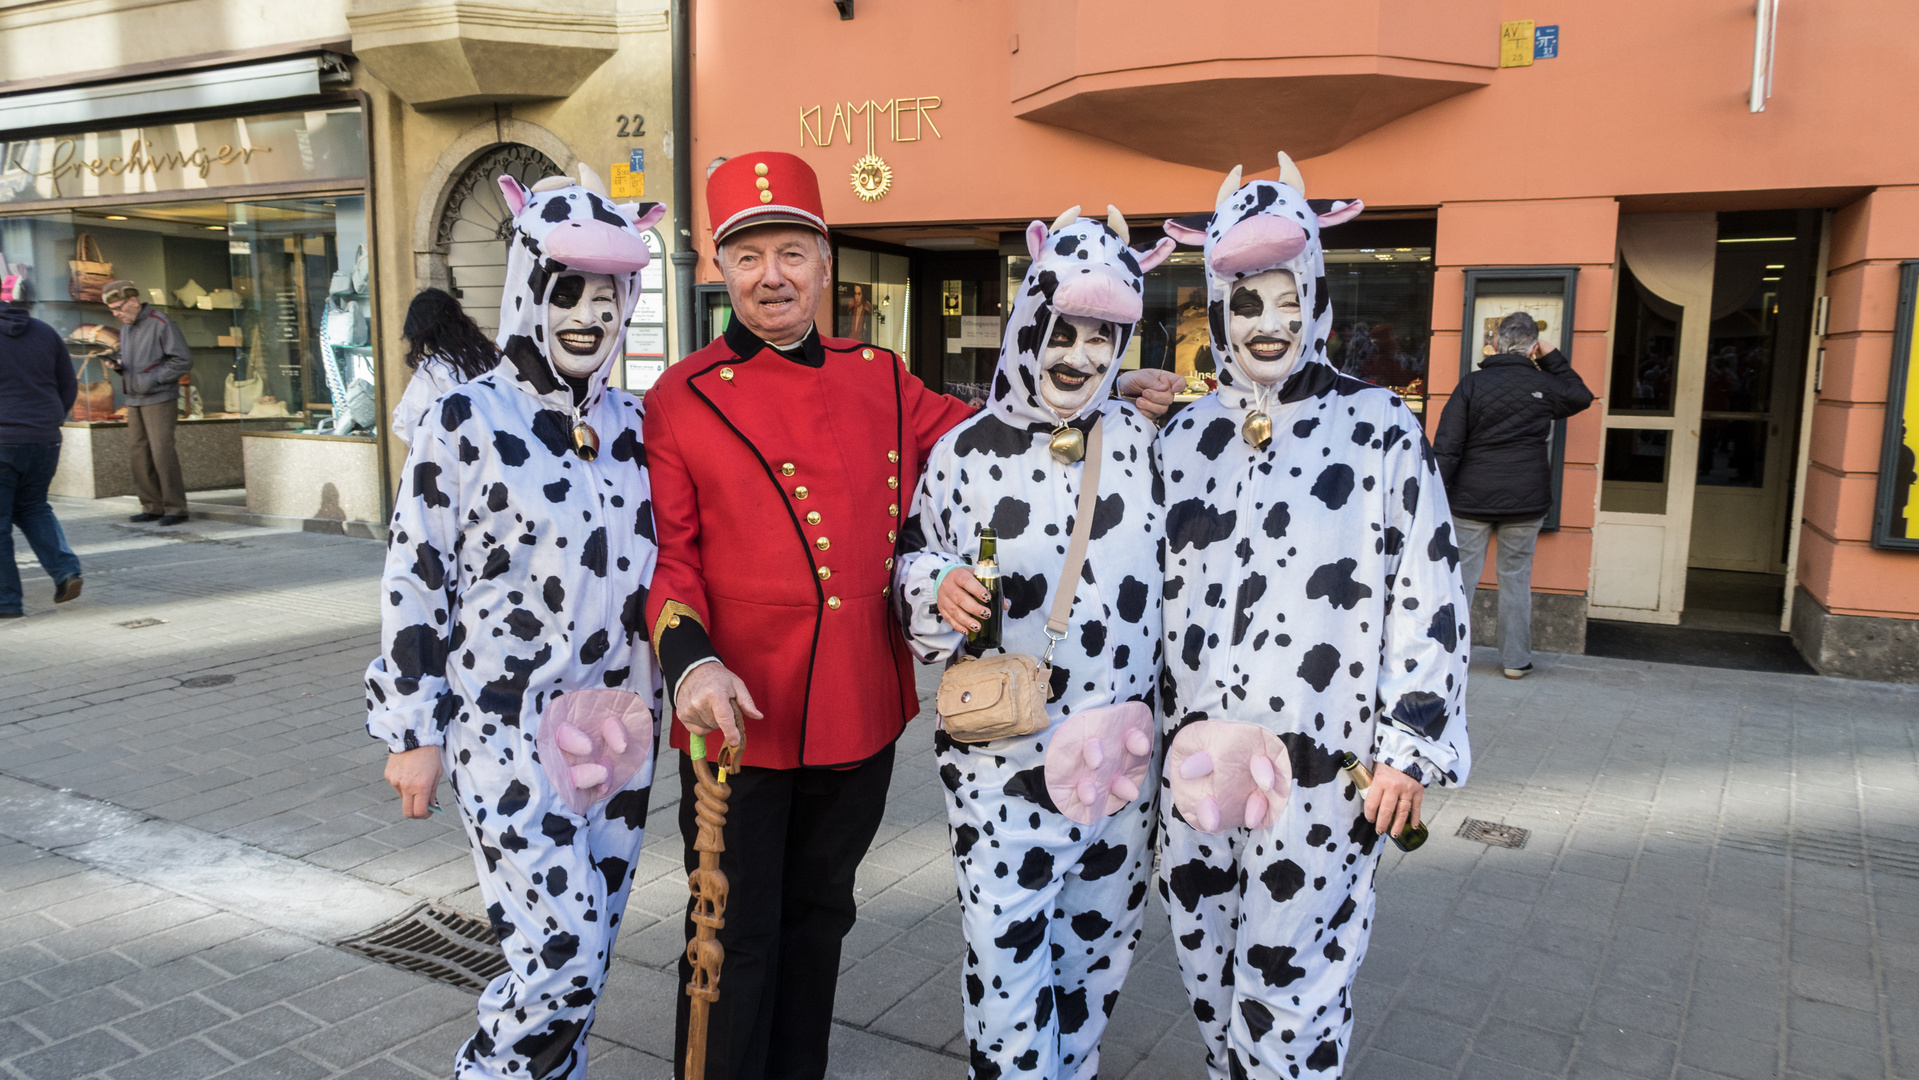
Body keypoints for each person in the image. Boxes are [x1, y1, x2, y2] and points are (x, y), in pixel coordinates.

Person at [642, 152, 1182, 1080]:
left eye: (792, 252)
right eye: (748, 256)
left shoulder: (881, 377)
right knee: (732, 934)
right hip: (739, 718)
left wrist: (1102, 392)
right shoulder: (680, 398)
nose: (772, 276)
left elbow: (994, 421)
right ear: (719, 269)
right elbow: (671, 561)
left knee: (822, 921)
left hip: (856, 706)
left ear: (824, 261)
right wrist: (691, 664)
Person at [1154, 155, 1471, 1079]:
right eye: (1244, 301)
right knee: (1209, 974)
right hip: (1198, 765)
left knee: (1294, 985)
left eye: (1285, 297)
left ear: (1317, 296)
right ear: (1215, 308)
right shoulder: (1183, 435)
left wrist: (1411, 743)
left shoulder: (1376, 426)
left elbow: (1429, 586)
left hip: (1322, 770)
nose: (1266, 323)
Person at [365, 166, 669, 1080]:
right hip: (501, 729)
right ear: (529, 286)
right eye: (567, 289)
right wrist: (410, 730)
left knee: (589, 953)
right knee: (562, 955)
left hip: (617, 732)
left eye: (607, 293)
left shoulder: (639, 425)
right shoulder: (462, 418)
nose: (588, 314)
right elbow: (415, 577)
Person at [894, 205, 1174, 1079]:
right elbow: (909, 553)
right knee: (1007, 953)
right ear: (1029, 321)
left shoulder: (1145, 443)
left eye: (1103, 336)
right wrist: (932, 583)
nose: (1080, 355)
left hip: (1119, 755)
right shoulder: (962, 453)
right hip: (999, 759)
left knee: (1097, 947)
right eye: (1065, 328)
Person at [1433, 311, 1594, 679]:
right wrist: (1552, 357)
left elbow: (1448, 446)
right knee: (1516, 578)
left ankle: (1448, 658)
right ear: (1532, 348)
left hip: (1471, 499)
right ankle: (1515, 662)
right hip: (1526, 500)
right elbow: (1581, 395)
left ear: (1495, 343)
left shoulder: (1472, 385)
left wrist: (1435, 492)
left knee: (1461, 580)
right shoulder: (1545, 384)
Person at [0, 302, 84, 618]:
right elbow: (68, 384)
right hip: (45, 438)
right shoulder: (45, 331)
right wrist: (51, 419)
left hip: (4, 439)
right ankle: (66, 571)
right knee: (33, 506)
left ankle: (6, 602)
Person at [100, 280, 191, 525]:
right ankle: (152, 506)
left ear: (133, 301)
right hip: (135, 398)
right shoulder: (127, 328)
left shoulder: (161, 323)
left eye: (119, 308)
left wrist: (151, 380)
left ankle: (175, 508)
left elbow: (182, 360)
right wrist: (119, 366)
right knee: (138, 453)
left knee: (162, 452)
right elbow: (136, 364)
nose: (116, 314)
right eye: (112, 311)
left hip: (159, 397)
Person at [391, 287, 501, 444]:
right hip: (501, 452)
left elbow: (409, 428)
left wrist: (411, 389)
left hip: (460, 458)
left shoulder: (433, 370)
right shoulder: (491, 354)